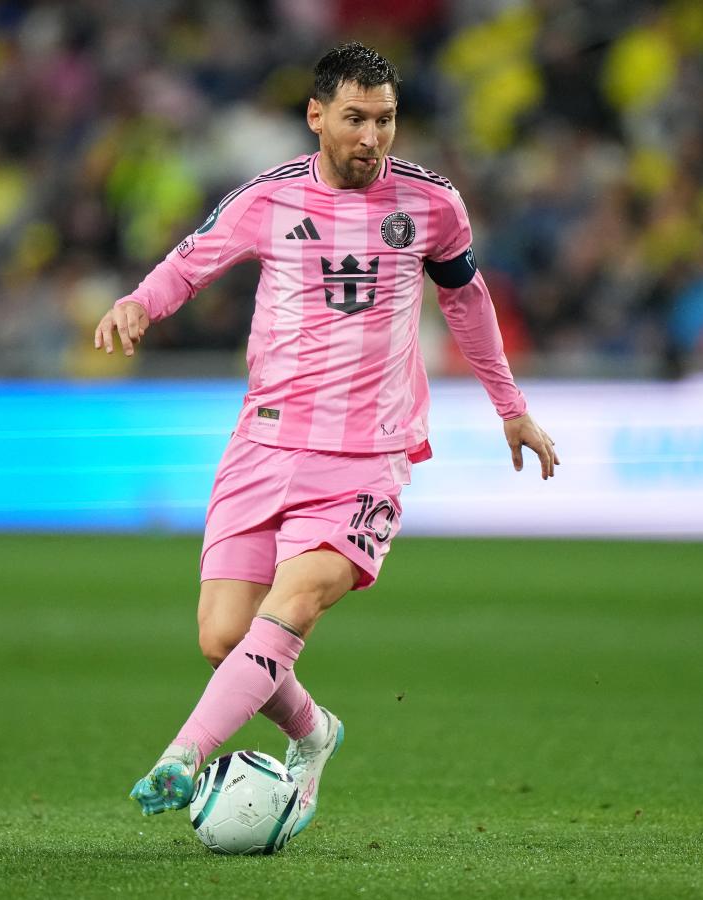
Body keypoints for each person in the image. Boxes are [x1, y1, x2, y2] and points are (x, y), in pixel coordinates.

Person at [94, 42, 559, 836]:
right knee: (223, 637)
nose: (372, 137)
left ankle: (181, 755)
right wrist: (140, 303)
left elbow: (467, 302)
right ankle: (314, 730)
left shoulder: (433, 205)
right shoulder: (268, 198)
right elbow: (189, 263)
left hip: (365, 460)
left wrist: (508, 405)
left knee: (295, 602)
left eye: (385, 120)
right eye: (355, 118)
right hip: (263, 447)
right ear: (317, 116)